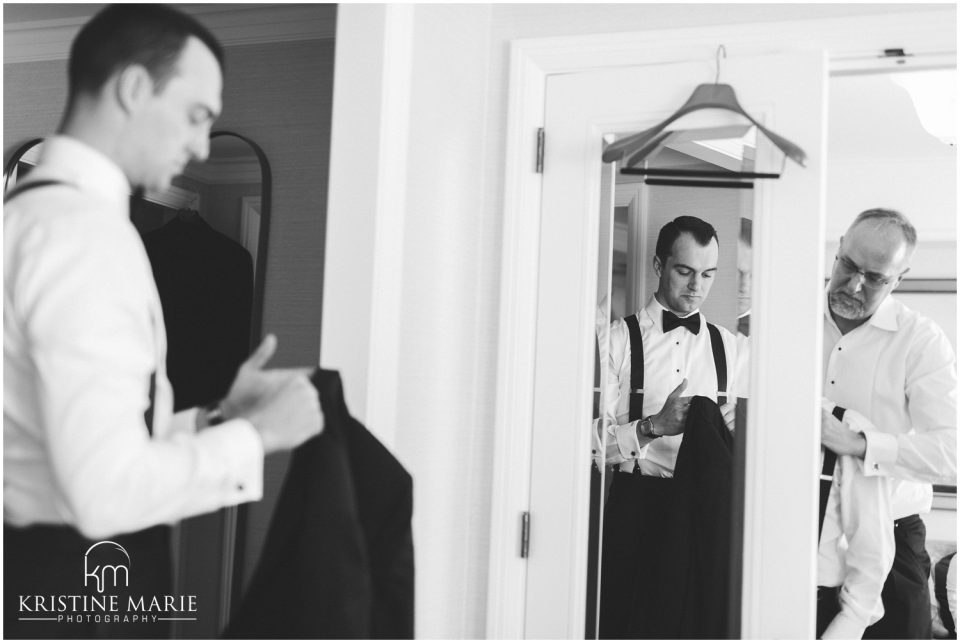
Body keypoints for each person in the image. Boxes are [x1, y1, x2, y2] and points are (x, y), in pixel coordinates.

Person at [3, 5, 323, 638]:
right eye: (197, 114)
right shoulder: (84, 238)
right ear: (133, 88)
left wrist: (216, 417)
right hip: (75, 597)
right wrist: (257, 437)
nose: (203, 145)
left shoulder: (28, 219)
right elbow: (103, 493)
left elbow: (59, 432)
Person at [597, 215, 740, 638]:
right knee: (624, 623)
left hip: (705, 514)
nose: (697, 285)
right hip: (637, 508)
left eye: (708, 274)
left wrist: (741, 427)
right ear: (659, 266)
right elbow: (583, 445)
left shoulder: (733, 349)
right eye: (685, 271)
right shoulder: (615, 342)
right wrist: (651, 427)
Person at [820, 208, 957, 639]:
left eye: (876, 277)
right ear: (839, 248)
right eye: (849, 265)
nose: (855, 284)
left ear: (900, 278)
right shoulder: (785, 322)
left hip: (895, 545)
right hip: (796, 534)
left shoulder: (921, 341)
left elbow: (952, 453)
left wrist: (861, 445)